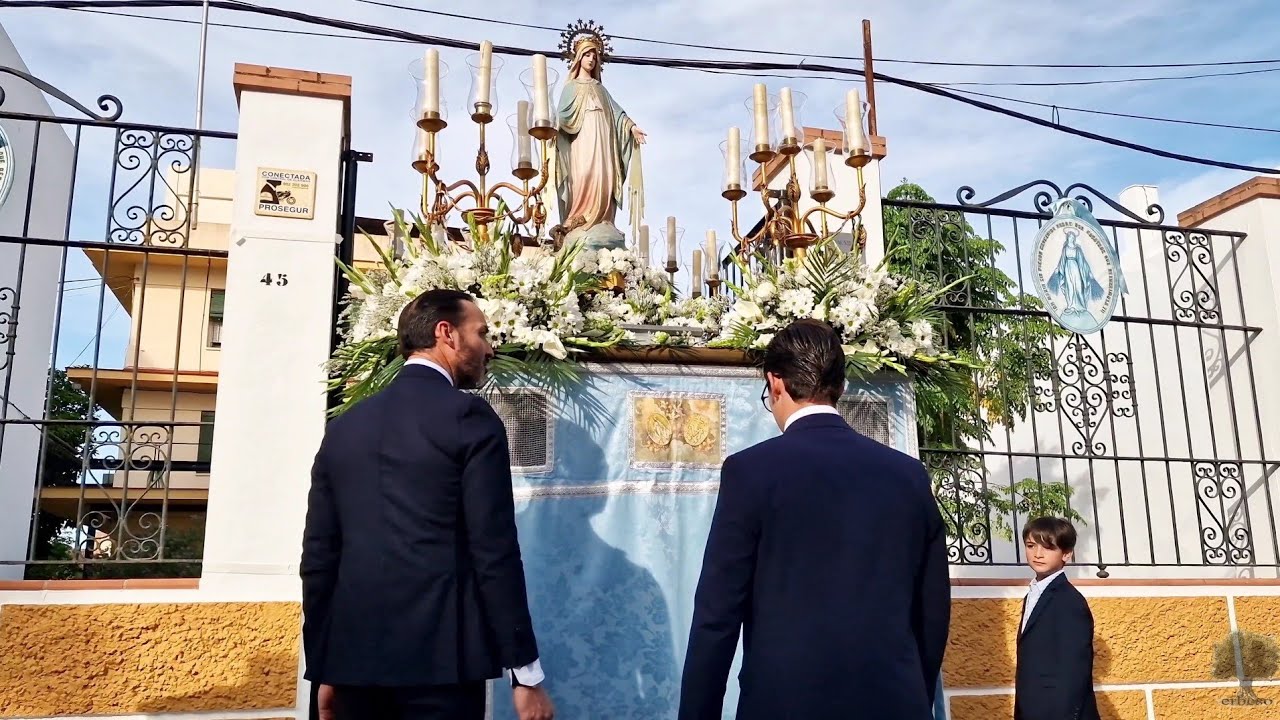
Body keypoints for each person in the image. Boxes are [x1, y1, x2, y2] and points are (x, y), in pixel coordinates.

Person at [301, 288, 555, 720]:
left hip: (352, 664)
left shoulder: (345, 426)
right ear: (447, 334)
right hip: (441, 663)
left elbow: (319, 557)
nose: (489, 348)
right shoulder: (468, 419)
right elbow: (493, 552)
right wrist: (526, 674)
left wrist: (323, 666)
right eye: (481, 333)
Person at [678, 319, 951, 720]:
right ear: (840, 386)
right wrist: (913, 695)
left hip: (784, 703)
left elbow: (716, 618)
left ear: (776, 383)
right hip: (894, 700)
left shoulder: (750, 472)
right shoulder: (908, 475)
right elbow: (932, 611)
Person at [554, 30, 646, 250]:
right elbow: (562, 117)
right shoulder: (571, 88)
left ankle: (603, 219)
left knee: (603, 177)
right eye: (587, 55)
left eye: (594, 56)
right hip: (582, 140)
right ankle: (578, 216)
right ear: (578, 58)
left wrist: (631, 127)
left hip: (604, 141)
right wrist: (552, 129)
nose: (591, 59)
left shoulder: (601, 90)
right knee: (584, 175)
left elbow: (617, 114)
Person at [1014, 517, 1099, 720]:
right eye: (1031, 545)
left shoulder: (1070, 602)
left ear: (1066, 554)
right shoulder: (1033, 595)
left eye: (1048, 547)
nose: (1038, 554)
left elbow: (1074, 671)